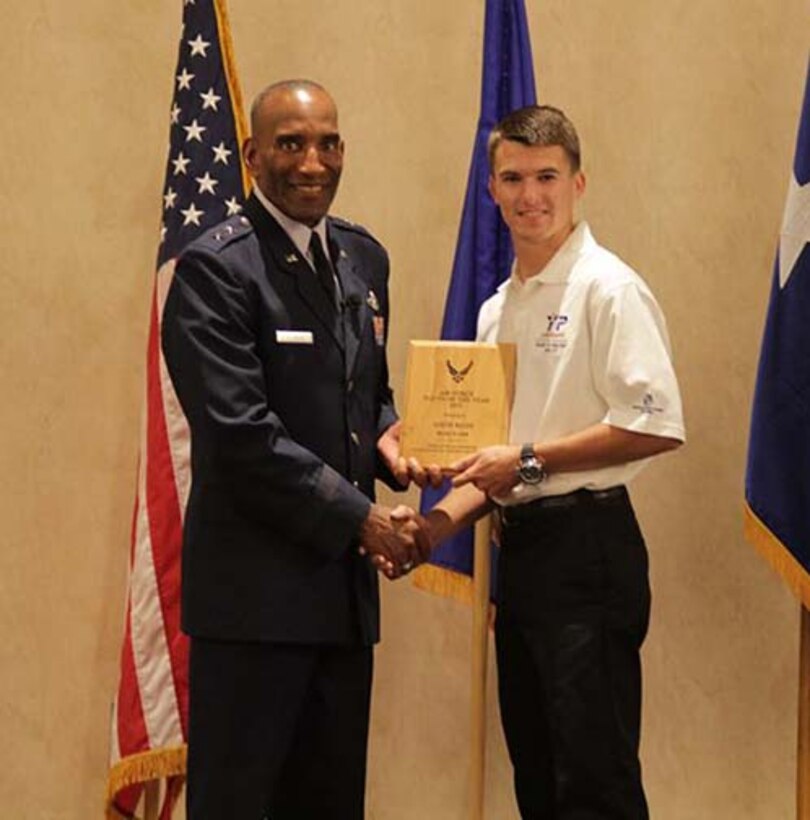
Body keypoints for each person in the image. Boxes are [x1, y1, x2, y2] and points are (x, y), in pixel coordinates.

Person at [410, 105, 685, 818]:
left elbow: (654, 425)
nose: (530, 195)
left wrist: (527, 460)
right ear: (491, 190)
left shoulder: (608, 288)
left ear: (579, 182)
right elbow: (492, 465)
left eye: (546, 177)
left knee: (594, 782)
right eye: (512, 178)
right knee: (539, 773)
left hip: (588, 549)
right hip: (524, 555)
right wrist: (428, 530)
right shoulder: (498, 310)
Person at [161, 79, 427, 819]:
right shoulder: (217, 269)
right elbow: (241, 434)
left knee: (331, 805)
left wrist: (390, 441)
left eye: (328, 142)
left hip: (340, 602)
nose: (313, 161)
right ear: (251, 155)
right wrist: (364, 519)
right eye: (291, 143)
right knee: (242, 804)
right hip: (254, 606)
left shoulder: (362, 259)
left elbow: (363, 394)